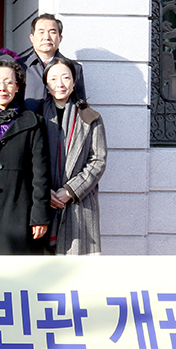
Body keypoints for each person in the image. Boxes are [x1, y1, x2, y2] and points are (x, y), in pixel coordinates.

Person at [0, 57, 52, 254]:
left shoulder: (33, 123)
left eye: (9, 82)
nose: (2, 88)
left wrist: (39, 216)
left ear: (17, 87)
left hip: (19, 211)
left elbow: (40, 175)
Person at [42, 58, 107, 255]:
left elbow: (98, 160)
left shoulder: (90, 117)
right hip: (43, 199)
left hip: (79, 201)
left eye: (65, 78)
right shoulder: (34, 115)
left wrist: (70, 191)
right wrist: (44, 191)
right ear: (46, 84)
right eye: (53, 79)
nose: (60, 84)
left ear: (74, 82)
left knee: (78, 265)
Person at [23, 13, 86, 110]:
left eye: (52, 32)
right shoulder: (20, 66)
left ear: (60, 38)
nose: (46, 37)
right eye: (41, 32)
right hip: (30, 123)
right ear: (32, 38)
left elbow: (80, 103)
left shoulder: (74, 68)